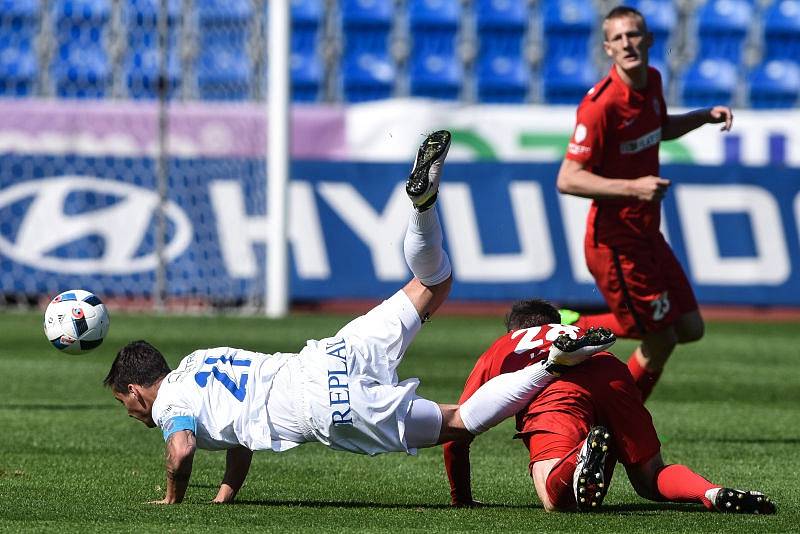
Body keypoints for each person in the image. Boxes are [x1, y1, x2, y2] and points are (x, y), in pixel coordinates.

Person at [103, 130, 614, 505]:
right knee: (433, 285)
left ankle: (550, 364)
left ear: (134, 388)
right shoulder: (197, 361)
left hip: (324, 405)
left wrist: (173, 501)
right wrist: (223, 499)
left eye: (124, 401)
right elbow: (239, 443)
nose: (130, 412)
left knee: (457, 422)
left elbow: (182, 448)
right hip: (326, 355)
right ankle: (421, 211)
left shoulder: (170, 403)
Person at [442, 299, 776, 515]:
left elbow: (458, 430)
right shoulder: (575, 330)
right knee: (652, 480)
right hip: (613, 373)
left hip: (558, 389)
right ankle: (709, 491)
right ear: (556, 322)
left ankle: (581, 453)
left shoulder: (506, 344)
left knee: (553, 499)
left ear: (515, 329)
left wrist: (461, 498)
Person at [556, 6, 735, 401]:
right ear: (607, 48)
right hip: (615, 242)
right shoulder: (600, 106)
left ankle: (571, 323)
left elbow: (659, 126)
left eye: (634, 34)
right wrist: (633, 188)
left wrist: (701, 117)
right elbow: (568, 178)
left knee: (690, 328)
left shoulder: (651, 81)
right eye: (618, 38)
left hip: (647, 234)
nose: (627, 43)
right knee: (660, 336)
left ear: (649, 40)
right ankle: (620, 423)